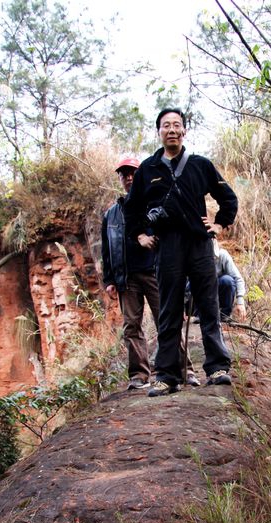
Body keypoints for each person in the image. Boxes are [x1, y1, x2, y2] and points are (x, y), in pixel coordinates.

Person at [124, 108, 238, 397]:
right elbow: (132, 208)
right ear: (159, 131)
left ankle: (217, 369)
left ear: (184, 131)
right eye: (166, 126)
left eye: (176, 125)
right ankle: (166, 376)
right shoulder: (148, 169)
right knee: (169, 310)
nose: (171, 130)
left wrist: (220, 224)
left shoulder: (200, 165)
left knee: (209, 305)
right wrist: (139, 235)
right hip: (167, 246)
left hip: (199, 244)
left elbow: (227, 197)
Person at [101, 156, 200, 389]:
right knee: (131, 326)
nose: (128, 177)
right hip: (126, 277)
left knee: (167, 321)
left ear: (140, 175)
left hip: (156, 272)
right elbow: (107, 249)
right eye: (123, 174)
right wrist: (109, 280)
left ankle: (185, 371)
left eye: (132, 173)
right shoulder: (111, 215)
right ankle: (139, 375)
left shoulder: (155, 203)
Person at [188, 239, 247, 322]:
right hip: (199, 293)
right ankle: (199, 315)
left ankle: (224, 315)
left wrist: (240, 302)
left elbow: (238, 278)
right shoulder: (194, 256)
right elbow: (184, 284)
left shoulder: (222, 255)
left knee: (227, 280)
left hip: (216, 290)